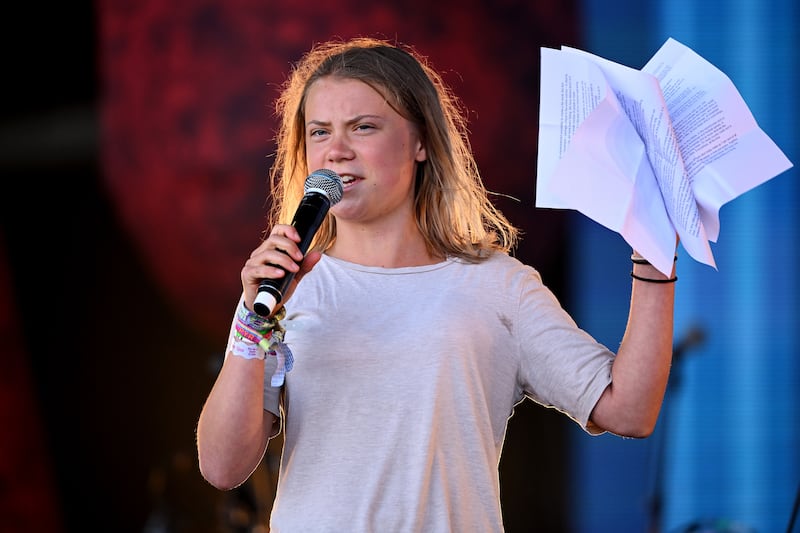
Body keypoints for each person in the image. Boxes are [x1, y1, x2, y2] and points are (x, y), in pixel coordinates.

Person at [196, 36, 677, 532]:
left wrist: (655, 254)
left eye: (363, 128)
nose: (336, 152)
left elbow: (630, 411)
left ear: (421, 142)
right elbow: (222, 466)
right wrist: (254, 322)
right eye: (319, 132)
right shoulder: (278, 288)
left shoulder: (497, 285)